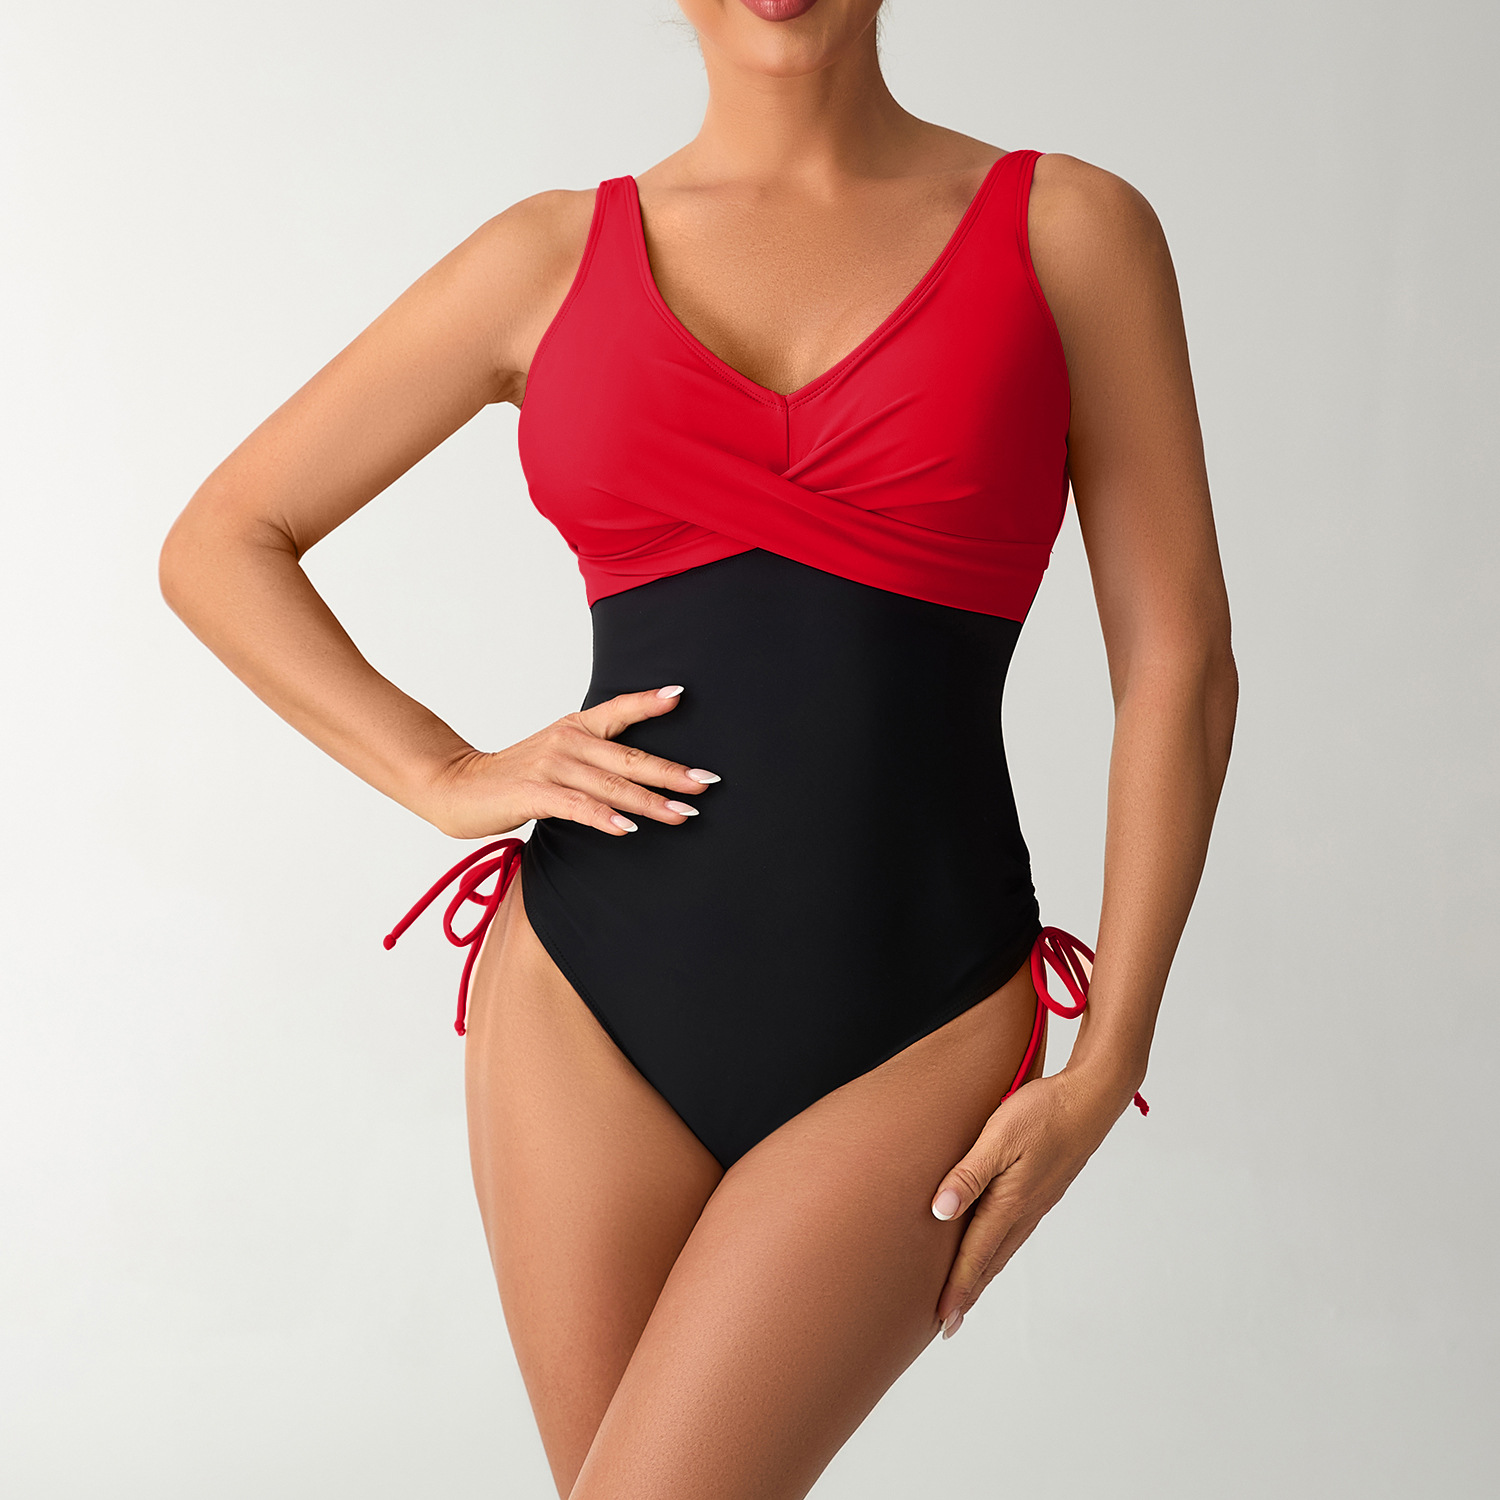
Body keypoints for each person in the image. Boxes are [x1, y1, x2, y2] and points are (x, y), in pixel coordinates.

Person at [159, 0, 1237, 1494]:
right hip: (588, 999)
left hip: (920, 1013)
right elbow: (225, 540)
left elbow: (1178, 666)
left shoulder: (1070, 230)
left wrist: (1111, 1055)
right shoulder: (544, 257)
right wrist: (441, 773)